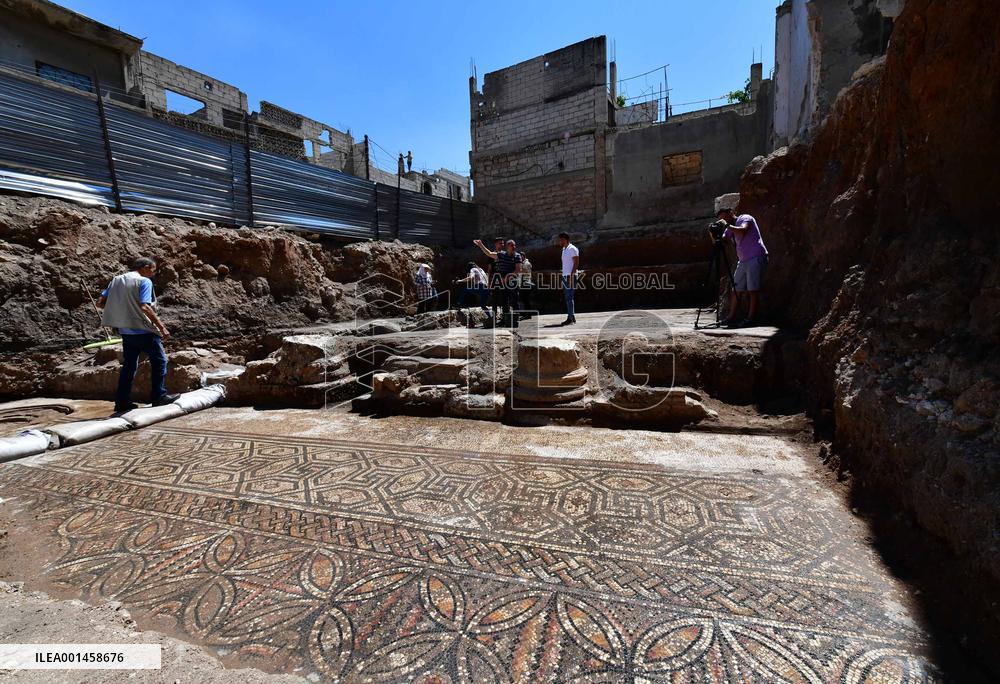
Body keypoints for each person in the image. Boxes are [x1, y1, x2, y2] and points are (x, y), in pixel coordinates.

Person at [96, 257, 178, 414]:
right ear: (146, 267)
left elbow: (100, 303)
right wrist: (161, 327)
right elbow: (145, 307)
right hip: (144, 331)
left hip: (126, 331)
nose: (152, 275)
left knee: (129, 367)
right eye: (152, 271)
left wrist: (122, 309)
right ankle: (158, 396)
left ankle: (122, 402)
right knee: (160, 361)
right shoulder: (144, 281)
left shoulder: (116, 280)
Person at [715, 208, 768, 326]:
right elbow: (721, 241)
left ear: (731, 213)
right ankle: (731, 317)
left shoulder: (745, 218)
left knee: (752, 290)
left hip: (755, 256)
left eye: (725, 217)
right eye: (721, 219)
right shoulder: (730, 228)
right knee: (736, 289)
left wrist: (727, 225)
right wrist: (713, 233)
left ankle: (750, 319)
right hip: (743, 261)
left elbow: (742, 231)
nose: (724, 220)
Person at [474, 238, 522, 327]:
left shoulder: (517, 255)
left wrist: (507, 278)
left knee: (514, 299)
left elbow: (518, 270)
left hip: (511, 280)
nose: (514, 247)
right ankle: (505, 319)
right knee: (504, 301)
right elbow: (489, 253)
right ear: (508, 247)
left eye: (514, 245)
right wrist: (480, 244)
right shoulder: (501, 255)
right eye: (512, 245)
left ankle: (515, 319)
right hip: (502, 280)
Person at [558, 232, 579, 326]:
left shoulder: (572, 249)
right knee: (568, 297)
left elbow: (576, 263)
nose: (560, 241)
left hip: (570, 276)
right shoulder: (564, 249)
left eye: (561, 239)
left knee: (569, 297)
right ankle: (571, 317)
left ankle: (571, 318)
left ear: (565, 239)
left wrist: (571, 275)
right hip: (565, 276)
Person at [519, 252, 534, 317]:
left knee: (526, 299)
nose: (519, 257)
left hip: (527, 283)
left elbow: (525, 271)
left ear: (523, 256)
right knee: (524, 299)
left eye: (521, 256)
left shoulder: (527, 263)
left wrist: (517, 270)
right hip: (524, 283)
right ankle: (527, 314)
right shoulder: (522, 263)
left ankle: (528, 314)